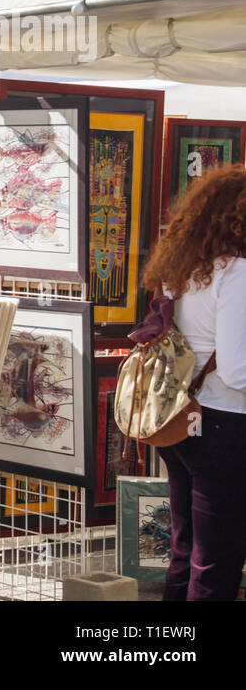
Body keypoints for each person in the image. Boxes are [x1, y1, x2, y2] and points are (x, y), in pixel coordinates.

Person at [141, 166, 246, 601]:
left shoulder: (186, 267)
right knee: (217, 559)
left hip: (182, 418)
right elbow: (239, 370)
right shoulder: (236, 272)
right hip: (224, 424)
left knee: (187, 548)